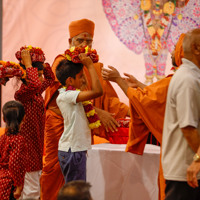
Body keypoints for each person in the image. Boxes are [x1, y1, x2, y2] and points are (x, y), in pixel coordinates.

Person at [40, 18, 129, 200]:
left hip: (80, 130)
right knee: (54, 171)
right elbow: (57, 104)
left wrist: (133, 110)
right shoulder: (62, 64)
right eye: (80, 40)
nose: (84, 45)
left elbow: (108, 100)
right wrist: (96, 113)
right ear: (70, 42)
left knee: (79, 177)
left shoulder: (94, 66)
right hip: (59, 128)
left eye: (88, 41)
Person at [101, 33, 185, 200]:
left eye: (175, 48)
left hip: (179, 152)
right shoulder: (186, 77)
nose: (170, 52)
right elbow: (158, 95)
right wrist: (139, 85)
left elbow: (145, 100)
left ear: (185, 52)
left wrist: (119, 80)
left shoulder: (180, 79)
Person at [161, 28, 200, 199]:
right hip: (186, 171)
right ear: (197, 48)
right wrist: (199, 158)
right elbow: (188, 128)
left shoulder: (192, 76)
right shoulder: (187, 79)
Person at [14, 47, 55, 199]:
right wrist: (28, 64)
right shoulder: (22, 93)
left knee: (34, 185)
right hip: (27, 147)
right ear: (26, 75)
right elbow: (34, 85)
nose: (40, 78)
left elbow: (50, 79)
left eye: (39, 75)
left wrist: (43, 65)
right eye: (36, 75)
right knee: (31, 189)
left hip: (37, 144)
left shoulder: (36, 92)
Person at [56, 53, 103, 183]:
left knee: (77, 191)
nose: (83, 79)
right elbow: (98, 91)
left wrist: (84, 72)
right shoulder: (67, 96)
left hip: (75, 149)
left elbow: (89, 89)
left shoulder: (72, 94)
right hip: (73, 150)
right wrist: (90, 66)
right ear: (70, 80)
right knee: (77, 192)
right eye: (81, 76)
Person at [0, 100, 27, 200]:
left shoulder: (3, 138)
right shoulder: (19, 139)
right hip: (11, 183)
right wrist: (19, 186)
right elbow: (13, 163)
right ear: (24, 117)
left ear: (3, 119)